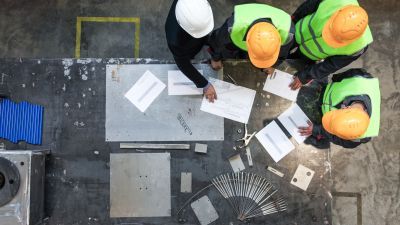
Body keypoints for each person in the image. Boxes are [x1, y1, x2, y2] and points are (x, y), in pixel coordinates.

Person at [289, 0, 373, 90]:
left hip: (310, 54)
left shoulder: (358, 46)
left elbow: (330, 65)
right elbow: (307, 6)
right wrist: (292, 22)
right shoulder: (336, 1)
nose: (326, 38)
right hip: (297, 30)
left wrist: (305, 76)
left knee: (295, 63)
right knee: (280, 51)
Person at [298, 68, 380, 149]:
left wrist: (317, 129)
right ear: (345, 107)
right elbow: (337, 78)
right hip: (324, 92)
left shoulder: (358, 138)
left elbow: (337, 138)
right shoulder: (358, 78)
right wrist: (325, 89)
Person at [208, 3, 295, 75]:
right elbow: (217, 41)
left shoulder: (287, 33)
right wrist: (216, 58)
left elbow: (282, 53)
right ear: (247, 42)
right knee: (228, 54)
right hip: (243, 21)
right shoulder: (234, 26)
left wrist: (272, 65)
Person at [165, 0, 217, 102]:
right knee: (189, 54)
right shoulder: (175, 40)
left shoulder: (196, 7)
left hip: (193, 27)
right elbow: (183, 64)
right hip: (187, 43)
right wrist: (204, 84)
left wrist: (215, 53)